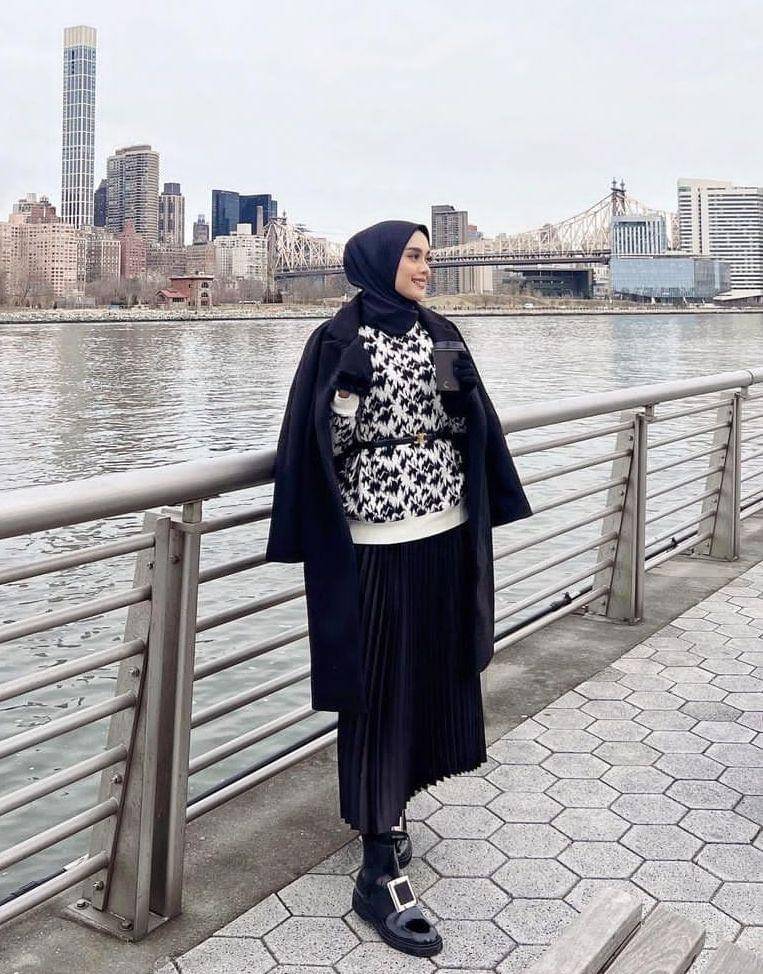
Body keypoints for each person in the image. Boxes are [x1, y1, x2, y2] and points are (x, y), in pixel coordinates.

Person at [265, 220, 533, 957]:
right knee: (376, 690)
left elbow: (474, 425)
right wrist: (347, 402)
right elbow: (314, 444)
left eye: (429, 256)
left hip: (446, 533)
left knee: (431, 678)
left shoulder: (440, 332)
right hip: (373, 543)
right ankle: (377, 866)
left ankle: (393, 811)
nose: (426, 267)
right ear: (379, 263)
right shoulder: (335, 340)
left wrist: (466, 411)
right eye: (413, 256)